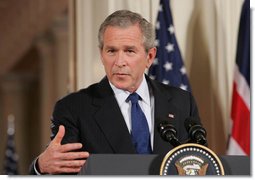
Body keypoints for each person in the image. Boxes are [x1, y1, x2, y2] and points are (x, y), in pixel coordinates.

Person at [29, 9, 200, 175]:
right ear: (102, 55)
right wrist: (40, 167)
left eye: (129, 51)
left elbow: (197, 165)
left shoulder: (182, 102)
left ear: (149, 56)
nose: (119, 62)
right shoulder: (73, 108)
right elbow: (61, 171)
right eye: (111, 51)